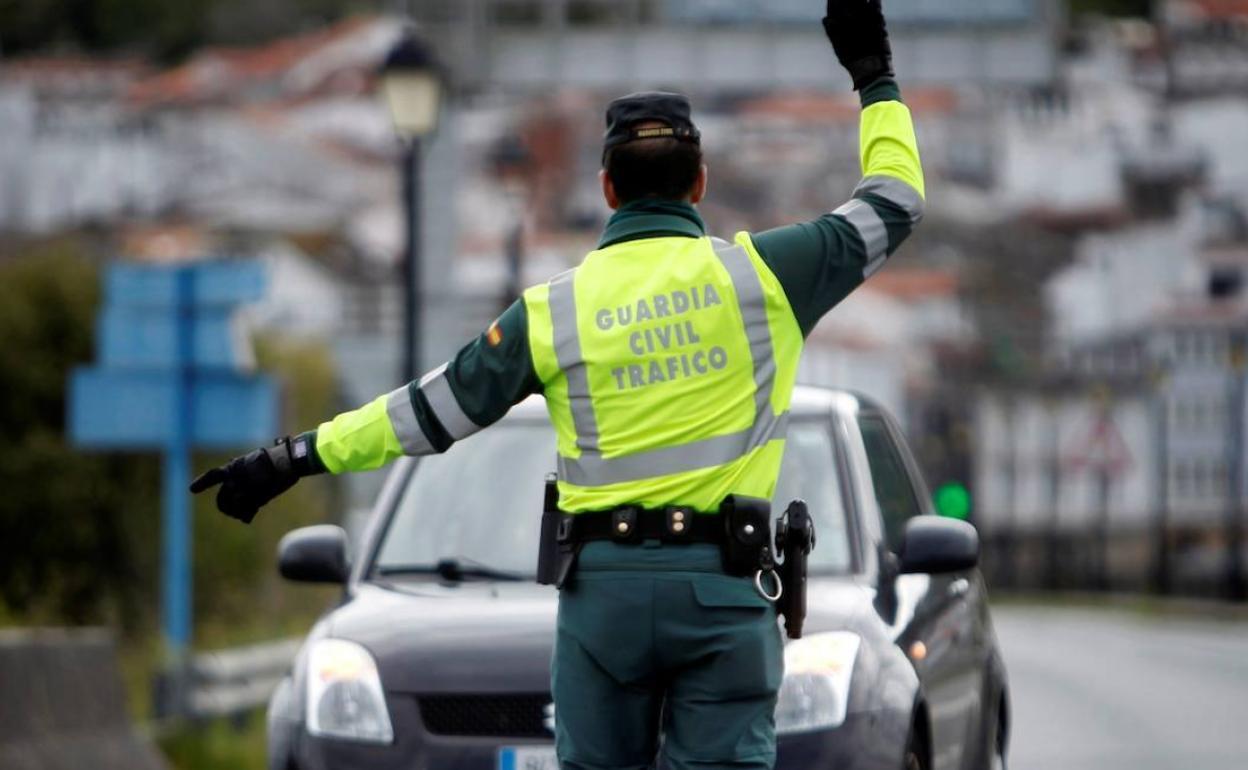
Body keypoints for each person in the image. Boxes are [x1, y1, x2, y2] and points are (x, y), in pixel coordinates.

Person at [191, 2, 923, 767]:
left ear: (607, 189)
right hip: (722, 592)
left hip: (602, 598)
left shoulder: (552, 313)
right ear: (699, 182)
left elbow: (426, 413)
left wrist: (295, 456)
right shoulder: (768, 277)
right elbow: (896, 201)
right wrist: (874, 78)